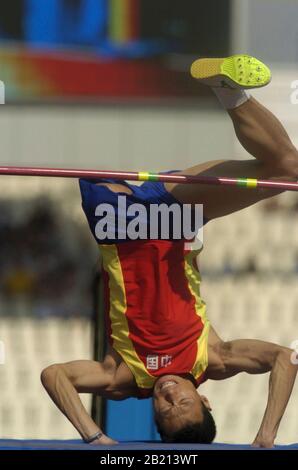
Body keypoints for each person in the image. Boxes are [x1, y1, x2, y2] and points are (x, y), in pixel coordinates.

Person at [41, 55, 298, 447]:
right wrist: (266, 437)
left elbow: (54, 374)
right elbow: (285, 358)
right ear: (205, 400)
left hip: (119, 220)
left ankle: (226, 93)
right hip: (176, 214)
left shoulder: (123, 378)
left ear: (153, 412)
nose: (170, 396)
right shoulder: (215, 357)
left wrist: (95, 439)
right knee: (288, 169)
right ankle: (227, 90)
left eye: (165, 409)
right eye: (184, 403)